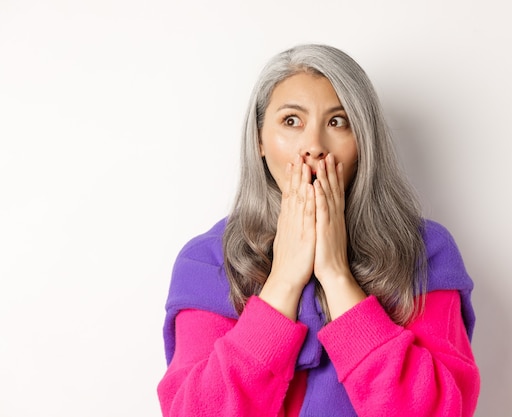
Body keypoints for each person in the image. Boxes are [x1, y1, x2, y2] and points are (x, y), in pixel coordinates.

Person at [157, 44, 480, 417]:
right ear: (260, 140)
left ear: (363, 141)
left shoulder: (425, 251)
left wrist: (338, 276)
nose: (314, 147)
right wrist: (284, 282)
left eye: (337, 122)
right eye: (291, 121)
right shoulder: (206, 261)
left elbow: (437, 410)